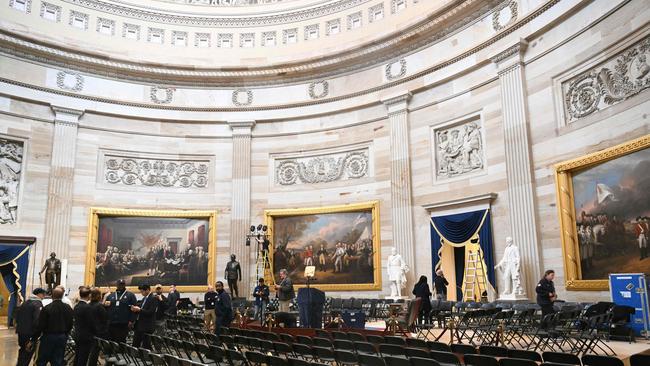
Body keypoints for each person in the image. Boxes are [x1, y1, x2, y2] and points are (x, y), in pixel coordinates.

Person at [35, 287, 74, 366]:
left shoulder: (47, 308)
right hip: (62, 337)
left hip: (48, 337)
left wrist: (35, 337)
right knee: (58, 360)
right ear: (62, 296)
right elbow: (70, 323)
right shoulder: (68, 308)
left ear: (52, 296)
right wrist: (66, 334)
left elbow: (41, 325)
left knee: (42, 360)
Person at [15, 288, 45, 366]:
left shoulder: (25, 303)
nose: (44, 297)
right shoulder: (38, 304)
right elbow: (37, 321)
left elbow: (17, 317)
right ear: (39, 294)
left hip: (21, 332)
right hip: (30, 334)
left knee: (22, 352)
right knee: (27, 354)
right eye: (43, 294)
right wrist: (35, 335)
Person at [104, 279, 137, 343]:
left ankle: (121, 353)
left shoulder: (130, 295)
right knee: (111, 342)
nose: (121, 286)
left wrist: (132, 320)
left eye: (123, 284)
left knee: (121, 342)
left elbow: (134, 309)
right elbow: (106, 309)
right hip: (111, 323)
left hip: (124, 323)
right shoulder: (111, 296)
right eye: (120, 284)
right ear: (117, 285)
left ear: (124, 285)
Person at [131, 284, 158, 349]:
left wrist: (139, 310)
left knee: (146, 345)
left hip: (147, 325)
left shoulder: (153, 298)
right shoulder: (144, 298)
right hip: (140, 324)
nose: (141, 293)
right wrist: (135, 309)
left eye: (142, 291)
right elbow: (142, 309)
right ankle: (137, 357)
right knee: (135, 343)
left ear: (148, 290)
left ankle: (147, 358)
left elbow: (150, 312)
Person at [73, 286, 95, 366]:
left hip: (78, 334)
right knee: (83, 358)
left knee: (78, 356)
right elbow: (91, 323)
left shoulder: (76, 306)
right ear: (89, 295)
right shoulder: (87, 307)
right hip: (86, 336)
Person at [88, 287, 108, 366]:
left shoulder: (88, 305)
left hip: (89, 332)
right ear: (98, 296)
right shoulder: (99, 307)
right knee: (95, 352)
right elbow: (105, 319)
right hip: (98, 332)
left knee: (91, 352)